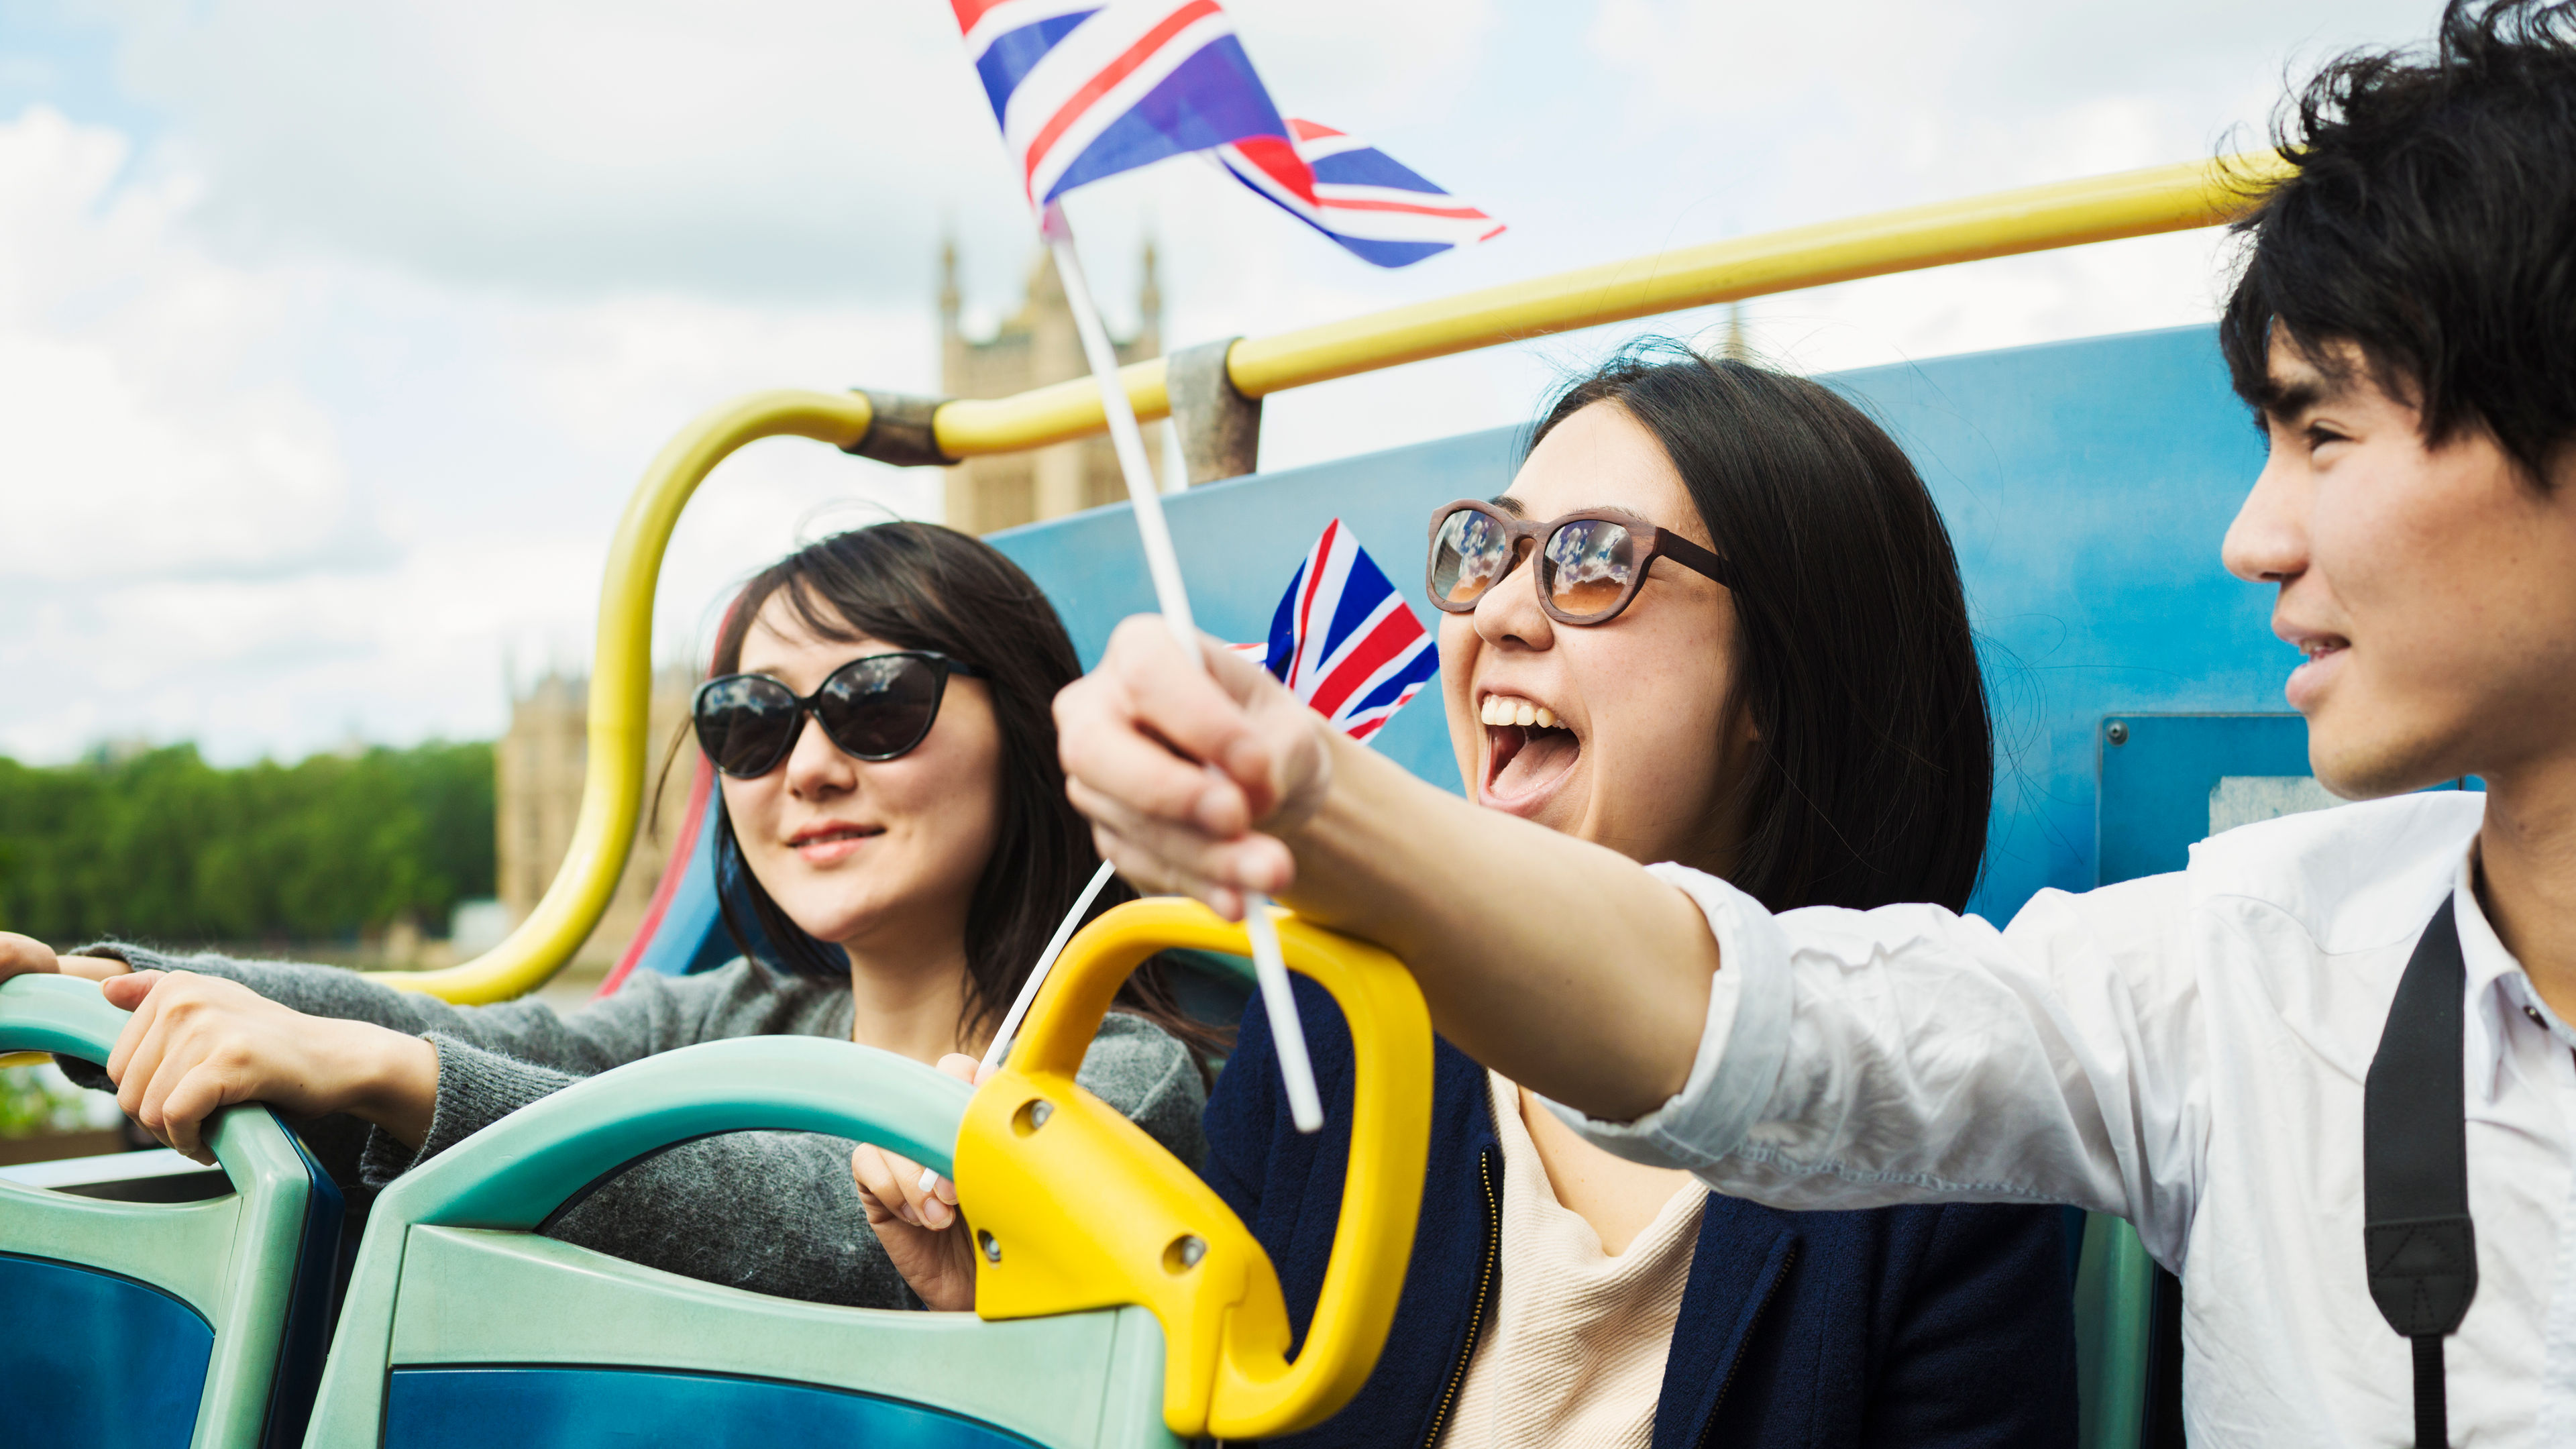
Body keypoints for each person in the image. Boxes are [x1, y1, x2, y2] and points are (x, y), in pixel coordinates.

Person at [1053, 2, 2576, 1442]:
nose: (2252, 536)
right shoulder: (2239, 973)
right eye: (1490, 549)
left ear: (1785, 688)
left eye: (2325, 430)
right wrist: (1315, 805)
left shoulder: (1982, 1181)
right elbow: (1763, 1028)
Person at [1200, 347, 2076, 1448]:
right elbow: (1176, 1389)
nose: (1503, 614)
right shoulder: (1327, 1030)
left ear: (1782, 678)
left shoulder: (1938, 1146)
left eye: (1595, 560)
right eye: (1491, 548)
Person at [0, 521, 1214, 1311]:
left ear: (1036, 730)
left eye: (876, 701)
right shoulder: (754, 1010)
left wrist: (398, 1078)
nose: (809, 766)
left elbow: (813, 1228)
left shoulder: (1117, 1072)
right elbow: (516, 1045)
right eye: (751, 720)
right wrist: (94, 985)